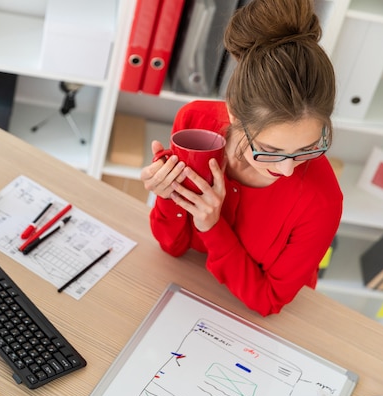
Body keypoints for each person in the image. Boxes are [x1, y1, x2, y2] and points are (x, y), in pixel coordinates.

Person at [140, 0, 342, 316]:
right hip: (184, 291)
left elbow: (270, 300)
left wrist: (212, 227)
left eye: (308, 148)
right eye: (270, 151)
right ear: (234, 113)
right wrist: (167, 194)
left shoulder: (322, 201)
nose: (287, 170)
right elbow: (171, 245)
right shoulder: (195, 124)